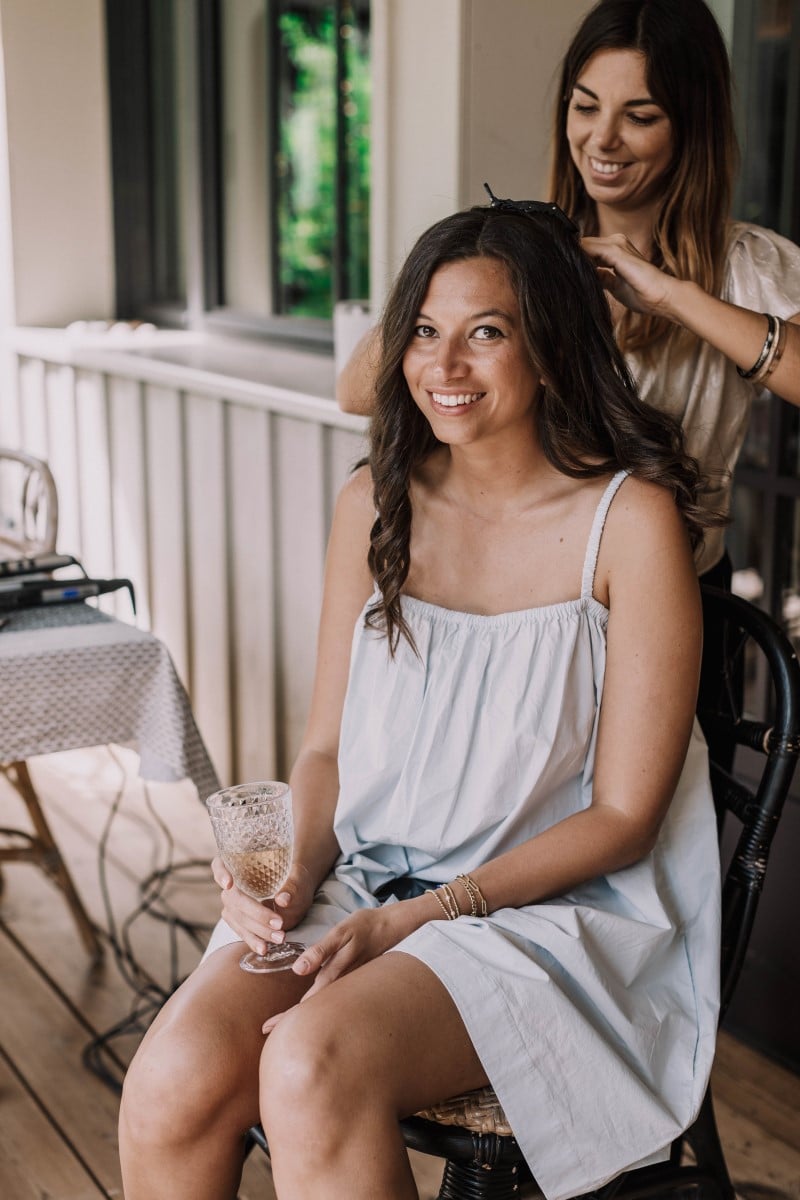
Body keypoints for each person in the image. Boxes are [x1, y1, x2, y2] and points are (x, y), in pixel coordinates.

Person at [118, 203, 722, 1200]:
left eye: (485, 332)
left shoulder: (628, 524)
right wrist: (293, 872)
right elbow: (323, 750)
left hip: (545, 915)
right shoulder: (375, 501)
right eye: (423, 333)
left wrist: (423, 919)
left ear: (550, 345)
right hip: (368, 881)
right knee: (169, 1084)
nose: (443, 366)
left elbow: (623, 820)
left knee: (309, 1067)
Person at [336, 0, 800, 594]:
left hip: (677, 596)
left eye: (640, 115)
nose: (602, 138)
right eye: (585, 107)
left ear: (692, 125)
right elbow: (354, 392)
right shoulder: (523, 257)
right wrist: (471, 270)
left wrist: (674, 297)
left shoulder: (748, 264)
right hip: (526, 594)